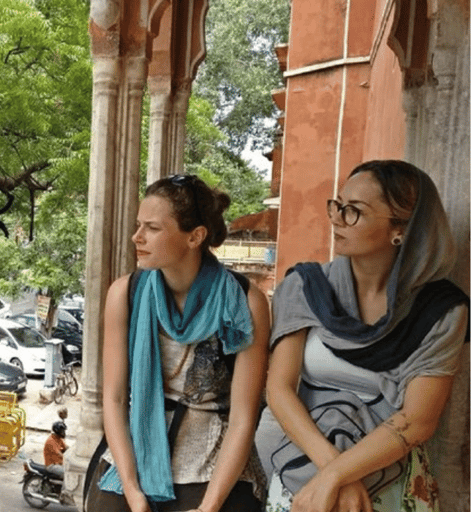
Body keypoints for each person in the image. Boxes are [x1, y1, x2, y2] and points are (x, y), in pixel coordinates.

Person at [258, 160, 469, 512]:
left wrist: (336, 476)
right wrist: (332, 472)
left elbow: (418, 420)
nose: (337, 219)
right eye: (337, 205)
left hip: (389, 471)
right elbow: (279, 389)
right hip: (299, 460)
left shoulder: (440, 311)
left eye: (354, 211)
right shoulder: (307, 287)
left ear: (400, 229)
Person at [86, 174, 270, 512]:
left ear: (195, 237)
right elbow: (113, 399)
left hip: (213, 449)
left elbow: (244, 418)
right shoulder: (125, 294)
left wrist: (209, 507)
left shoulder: (244, 302)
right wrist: (133, 491)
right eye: (138, 225)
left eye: (152, 228)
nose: (136, 237)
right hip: (137, 441)